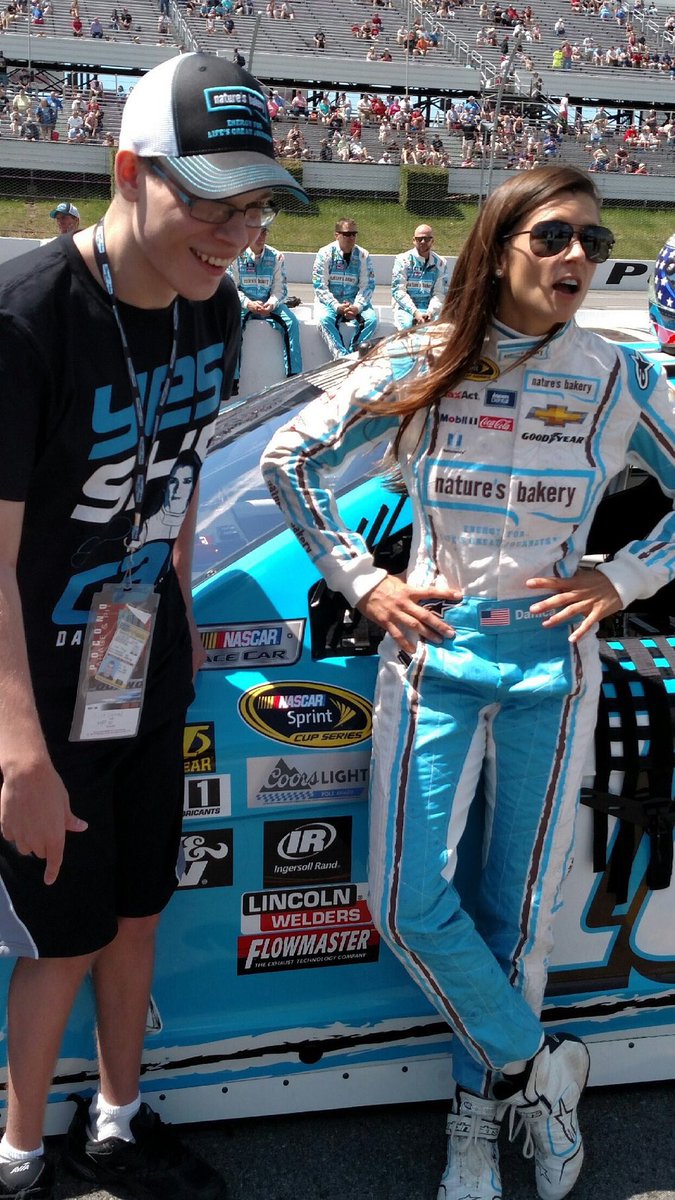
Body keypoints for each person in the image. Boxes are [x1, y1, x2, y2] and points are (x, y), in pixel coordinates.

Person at [262, 164, 675, 1200]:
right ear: (497, 249)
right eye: (553, 237)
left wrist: (622, 577)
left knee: (514, 914)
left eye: (592, 242)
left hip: (552, 664)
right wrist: (364, 583)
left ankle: (476, 1123)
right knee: (405, 904)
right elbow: (291, 458)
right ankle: (540, 1066)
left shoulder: (617, 376)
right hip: (433, 658)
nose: (578, 257)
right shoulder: (426, 356)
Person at [0, 51, 307, 1200]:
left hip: (142, 666)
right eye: (214, 204)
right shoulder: (26, 319)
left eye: (257, 209)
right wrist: (18, 752)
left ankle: (118, 1127)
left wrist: (177, 609)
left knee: (138, 915)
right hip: (44, 694)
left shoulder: (213, 308)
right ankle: (17, 1158)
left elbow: (177, 480)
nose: (239, 237)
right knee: (60, 938)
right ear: (130, 172)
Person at [228, 225, 303, 390]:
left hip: (269, 304)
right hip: (245, 304)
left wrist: (271, 303)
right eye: (258, 233)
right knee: (233, 325)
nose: (261, 237)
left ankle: (294, 375)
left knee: (292, 322)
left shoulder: (276, 256)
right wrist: (248, 303)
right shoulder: (236, 256)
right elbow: (232, 288)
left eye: (264, 233)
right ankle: (232, 378)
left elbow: (280, 289)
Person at [312, 218, 378, 357]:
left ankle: (355, 354)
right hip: (329, 302)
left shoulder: (363, 255)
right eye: (347, 234)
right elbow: (320, 286)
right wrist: (336, 306)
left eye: (354, 234)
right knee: (324, 320)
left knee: (371, 320)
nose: (351, 237)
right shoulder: (325, 253)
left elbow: (368, 285)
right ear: (337, 235)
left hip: (354, 300)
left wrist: (357, 307)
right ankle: (341, 356)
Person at [391, 223, 448, 329]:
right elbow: (398, 291)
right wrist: (415, 312)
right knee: (408, 325)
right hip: (406, 309)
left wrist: (430, 312)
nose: (423, 242)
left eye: (427, 239)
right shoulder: (402, 260)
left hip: (430, 308)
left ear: (432, 241)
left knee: (440, 328)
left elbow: (440, 293)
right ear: (414, 240)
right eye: (419, 239)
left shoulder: (440, 263)